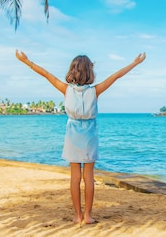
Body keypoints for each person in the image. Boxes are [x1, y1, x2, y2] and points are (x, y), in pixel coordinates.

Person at [15, 50, 146, 225]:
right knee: (89, 177)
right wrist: (134, 63)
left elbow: (46, 74)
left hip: (72, 135)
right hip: (90, 135)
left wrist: (26, 61)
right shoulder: (95, 91)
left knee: (75, 177)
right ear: (89, 72)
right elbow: (116, 77)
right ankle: (88, 216)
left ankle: (77, 215)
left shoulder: (65, 90)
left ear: (73, 71)